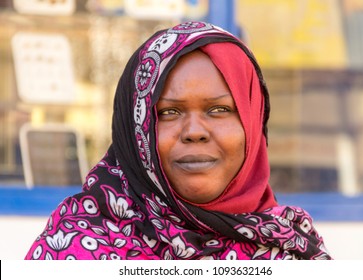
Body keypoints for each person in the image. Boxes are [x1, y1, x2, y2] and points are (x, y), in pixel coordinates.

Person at [25, 21, 332, 260]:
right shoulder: (72, 249)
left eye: (220, 109)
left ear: (252, 124)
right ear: (137, 134)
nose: (194, 131)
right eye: (169, 112)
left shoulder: (292, 247)